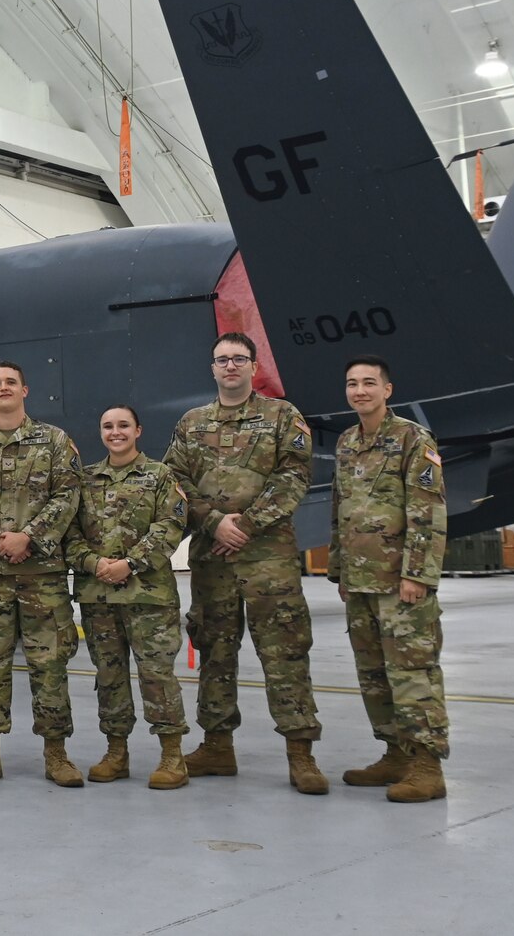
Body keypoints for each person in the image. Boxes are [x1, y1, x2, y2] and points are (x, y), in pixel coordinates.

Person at [162, 332, 327, 794]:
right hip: (212, 559)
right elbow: (172, 482)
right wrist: (214, 521)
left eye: (239, 359)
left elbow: (294, 476)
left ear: (254, 367)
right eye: (222, 359)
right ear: (212, 368)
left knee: (285, 652)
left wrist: (248, 525)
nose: (230, 366)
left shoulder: (282, 416)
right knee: (215, 651)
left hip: (268, 558)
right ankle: (217, 745)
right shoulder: (191, 423)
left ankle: (301, 752)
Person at [0, 360, 86, 787]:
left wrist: (29, 536)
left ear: (25, 391)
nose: (3, 387)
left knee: (50, 663)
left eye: (11, 382)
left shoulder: (55, 441)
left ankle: (57, 753)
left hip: (41, 573)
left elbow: (69, 494)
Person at [331, 355, 449, 802]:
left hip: (400, 581)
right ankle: (396, 754)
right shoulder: (346, 442)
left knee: (413, 673)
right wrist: (339, 570)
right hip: (360, 582)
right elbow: (340, 509)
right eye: (352, 384)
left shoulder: (412, 439)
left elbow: (427, 510)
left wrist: (417, 574)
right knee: (374, 675)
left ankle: (427, 765)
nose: (359, 390)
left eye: (368, 383)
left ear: (387, 389)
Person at [65, 406, 190, 789]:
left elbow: (171, 526)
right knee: (109, 677)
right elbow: (68, 535)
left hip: (148, 597)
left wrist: (130, 564)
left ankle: (172, 756)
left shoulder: (160, 476)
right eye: (107, 426)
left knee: (157, 676)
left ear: (138, 430)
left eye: (123, 425)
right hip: (98, 596)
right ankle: (116, 751)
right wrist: (92, 562)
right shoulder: (84, 481)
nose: (115, 432)